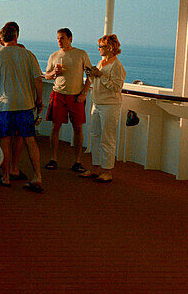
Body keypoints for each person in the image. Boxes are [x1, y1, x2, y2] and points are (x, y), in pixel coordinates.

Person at [0, 22, 44, 192]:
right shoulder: (27, 54)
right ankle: (37, 176)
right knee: (29, 139)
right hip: (26, 105)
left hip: (5, 104)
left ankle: (6, 177)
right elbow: (38, 79)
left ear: (2, 38)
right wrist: (38, 100)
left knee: (5, 139)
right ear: (17, 36)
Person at [43, 27, 93, 172]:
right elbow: (46, 75)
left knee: (77, 128)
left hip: (76, 96)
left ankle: (77, 161)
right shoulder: (54, 56)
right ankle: (53, 159)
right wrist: (54, 72)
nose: (59, 41)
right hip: (58, 94)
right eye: (58, 38)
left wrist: (84, 93)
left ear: (70, 39)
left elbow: (90, 75)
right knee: (55, 127)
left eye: (62, 38)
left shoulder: (81, 54)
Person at [79, 34, 126, 182]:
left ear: (110, 48)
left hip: (110, 106)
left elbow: (116, 87)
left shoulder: (117, 66)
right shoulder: (101, 63)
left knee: (107, 139)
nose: (98, 48)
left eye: (101, 46)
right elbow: (97, 80)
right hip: (97, 104)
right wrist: (92, 75)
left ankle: (107, 171)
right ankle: (96, 168)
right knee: (95, 137)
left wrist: (100, 76)